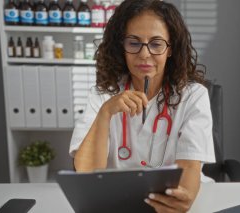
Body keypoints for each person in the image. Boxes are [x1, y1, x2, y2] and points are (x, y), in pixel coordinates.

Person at [69, 0, 215, 212]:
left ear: (170, 49)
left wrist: (181, 200)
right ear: (122, 46)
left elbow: (190, 167)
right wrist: (106, 113)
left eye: (156, 44)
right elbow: (86, 172)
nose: (144, 54)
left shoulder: (193, 96)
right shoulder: (102, 96)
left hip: (168, 203)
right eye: (134, 43)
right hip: (117, 203)